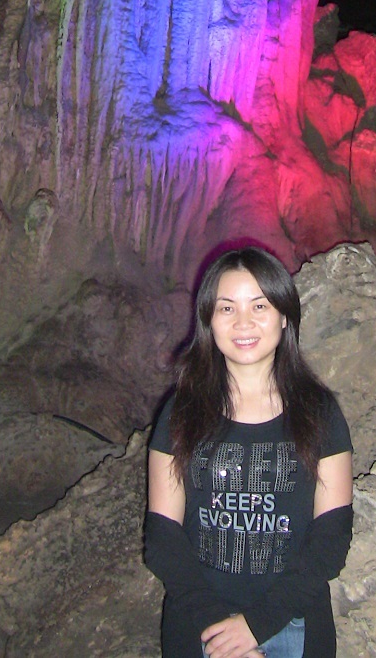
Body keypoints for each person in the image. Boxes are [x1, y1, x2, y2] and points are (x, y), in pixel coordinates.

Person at [145, 246, 353, 658]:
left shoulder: (319, 412)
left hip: (292, 621)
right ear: (208, 320)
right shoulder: (181, 411)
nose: (244, 322)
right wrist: (222, 633)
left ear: (284, 315)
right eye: (227, 308)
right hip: (200, 624)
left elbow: (330, 538)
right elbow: (162, 538)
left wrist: (256, 627)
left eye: (259, 305)